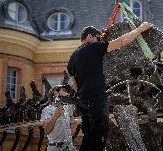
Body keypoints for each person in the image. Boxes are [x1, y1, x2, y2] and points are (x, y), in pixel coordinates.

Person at [67, 22, 153, 151]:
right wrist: (140, 29)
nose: (99, 41)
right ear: (90, 37)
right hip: (96, 99)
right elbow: (121, 42)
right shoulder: (93, 47)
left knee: (88, 138)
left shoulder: (73, 57)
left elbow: (74, 84)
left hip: (83, 101)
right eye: (98, 38)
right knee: (99, 139)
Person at [41, 85, 76, 151]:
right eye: (64, 91)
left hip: (69, 147)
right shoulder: (47, 110)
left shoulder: (66, 108)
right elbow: (46, 131)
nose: (67, 93)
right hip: (55, 148)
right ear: (55, 92)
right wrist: (55, 116)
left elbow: (74, 101)